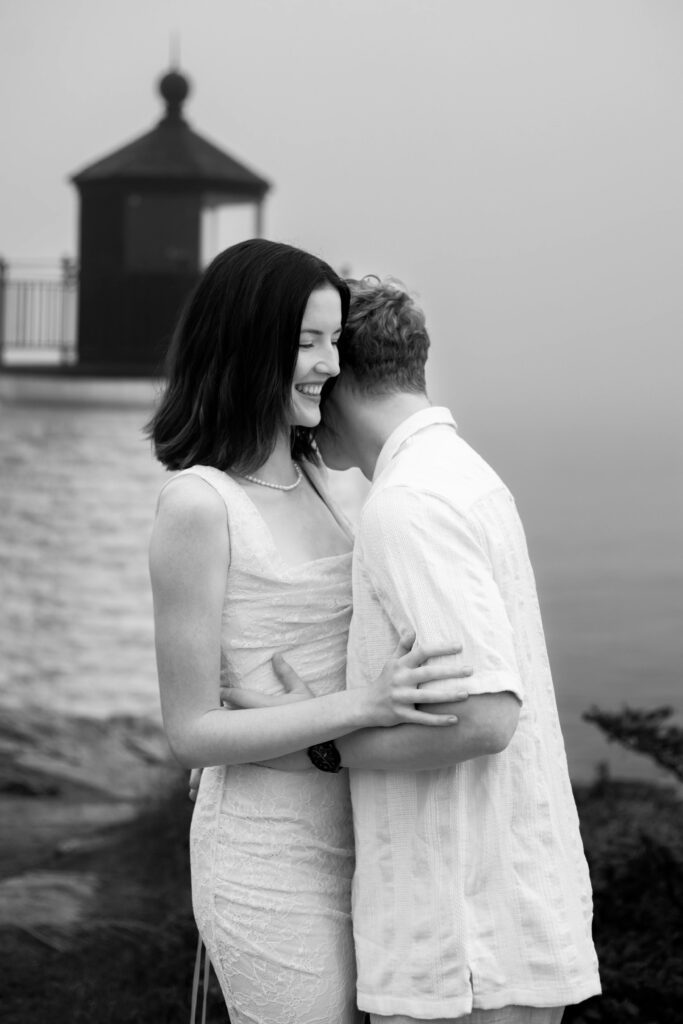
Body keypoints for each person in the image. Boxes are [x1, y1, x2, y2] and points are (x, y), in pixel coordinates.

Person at [225, 277, 601, 1023]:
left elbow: (487, 718)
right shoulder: (460, 474)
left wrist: (323, 742)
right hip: (501, 924)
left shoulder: (407, 505)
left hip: (458, 945)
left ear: (335, 377)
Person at [147, 241, 472, 1024]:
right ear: (245, 344)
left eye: (333, 341)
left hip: (370, 830)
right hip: (265, 851)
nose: (330, 365)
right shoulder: (200, 506)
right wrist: (361, 706)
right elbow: (191, 731)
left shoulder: (343, 484)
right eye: (306, 343)